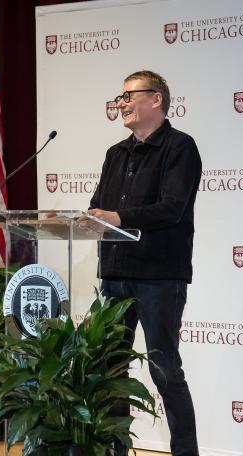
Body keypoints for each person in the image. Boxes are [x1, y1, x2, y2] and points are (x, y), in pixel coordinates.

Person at [88, 70, 201, 456]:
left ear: (156, 100)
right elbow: (98, 205)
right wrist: (90, 217)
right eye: (119, 97)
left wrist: (119, 218)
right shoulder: (115, 154)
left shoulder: (180, 147)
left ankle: (186, 452)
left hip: (158, 276)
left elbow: (171, 209)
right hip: (116, 274)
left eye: (128, 96)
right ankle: (115, 449)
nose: (121, 103)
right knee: (112, 371)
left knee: (164, 371)